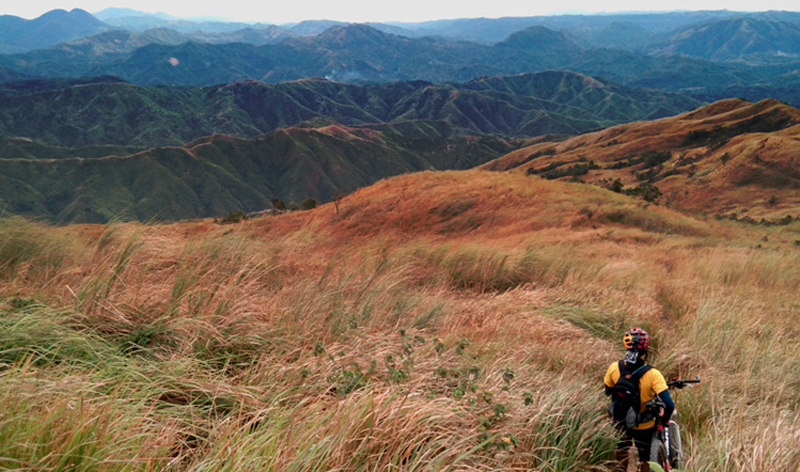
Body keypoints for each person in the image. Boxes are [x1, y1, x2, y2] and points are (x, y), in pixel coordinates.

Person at [604, 328, 674, 472]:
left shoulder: (614, 368)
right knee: (645, 457)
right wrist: (665, 420)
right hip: (645, 426)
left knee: (622, 450)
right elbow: (669, 404)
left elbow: (608, 390)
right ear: (646, 349)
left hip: (621, 421)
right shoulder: (653, 374)